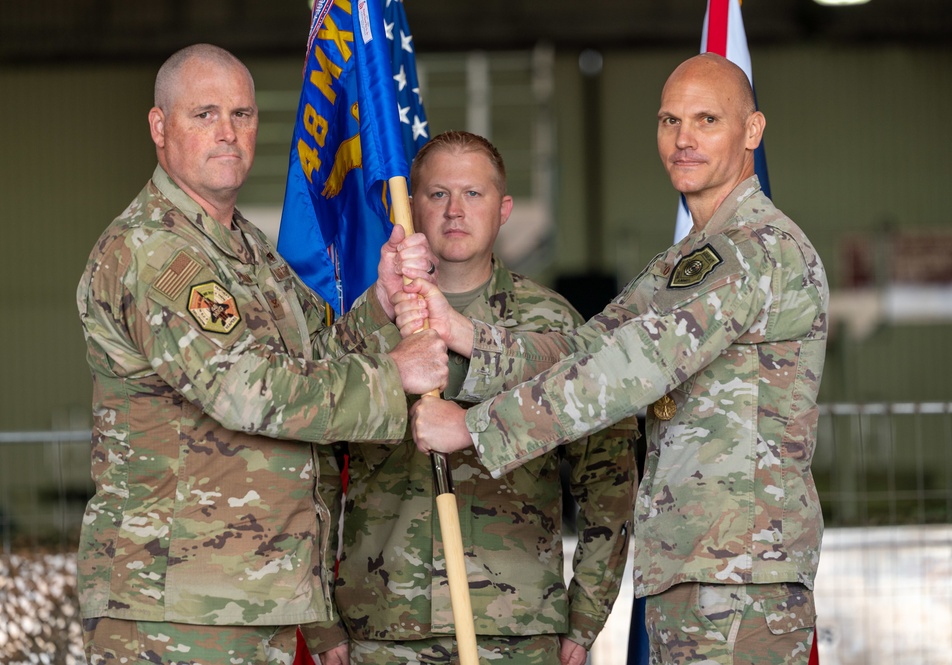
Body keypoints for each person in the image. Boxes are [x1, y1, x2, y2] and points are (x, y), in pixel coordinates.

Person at [402, 54, 829, 665]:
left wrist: (474, 428)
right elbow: (584, 349)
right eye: (669, 120)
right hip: (696, 569)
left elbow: (629, 369)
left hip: (740, 575)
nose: (684, 139)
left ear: (752, 133)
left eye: (707, 119)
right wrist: (466, 334)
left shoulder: (755, 249)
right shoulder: (684, 262)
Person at [75, 43, 447, 665]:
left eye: (243, 115)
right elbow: (245, 390)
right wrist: (394, 375)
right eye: (205, 114)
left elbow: (318, 352)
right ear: (159, 127)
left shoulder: (244, 247)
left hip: (257, 595)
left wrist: (381, 303)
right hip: (175, 605)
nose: (228, 132)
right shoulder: (152, 251)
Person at [301, 131, 639, 665]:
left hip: (517, 628)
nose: (455, 211)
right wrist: (321, 623)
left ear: (504, 208)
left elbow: (608, 478)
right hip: (384, 627)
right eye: (437, 195)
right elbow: (312, 472)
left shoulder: (552, 324)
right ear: (409, 206)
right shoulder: (367, 326)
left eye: (473, 195)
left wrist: (586, 615)